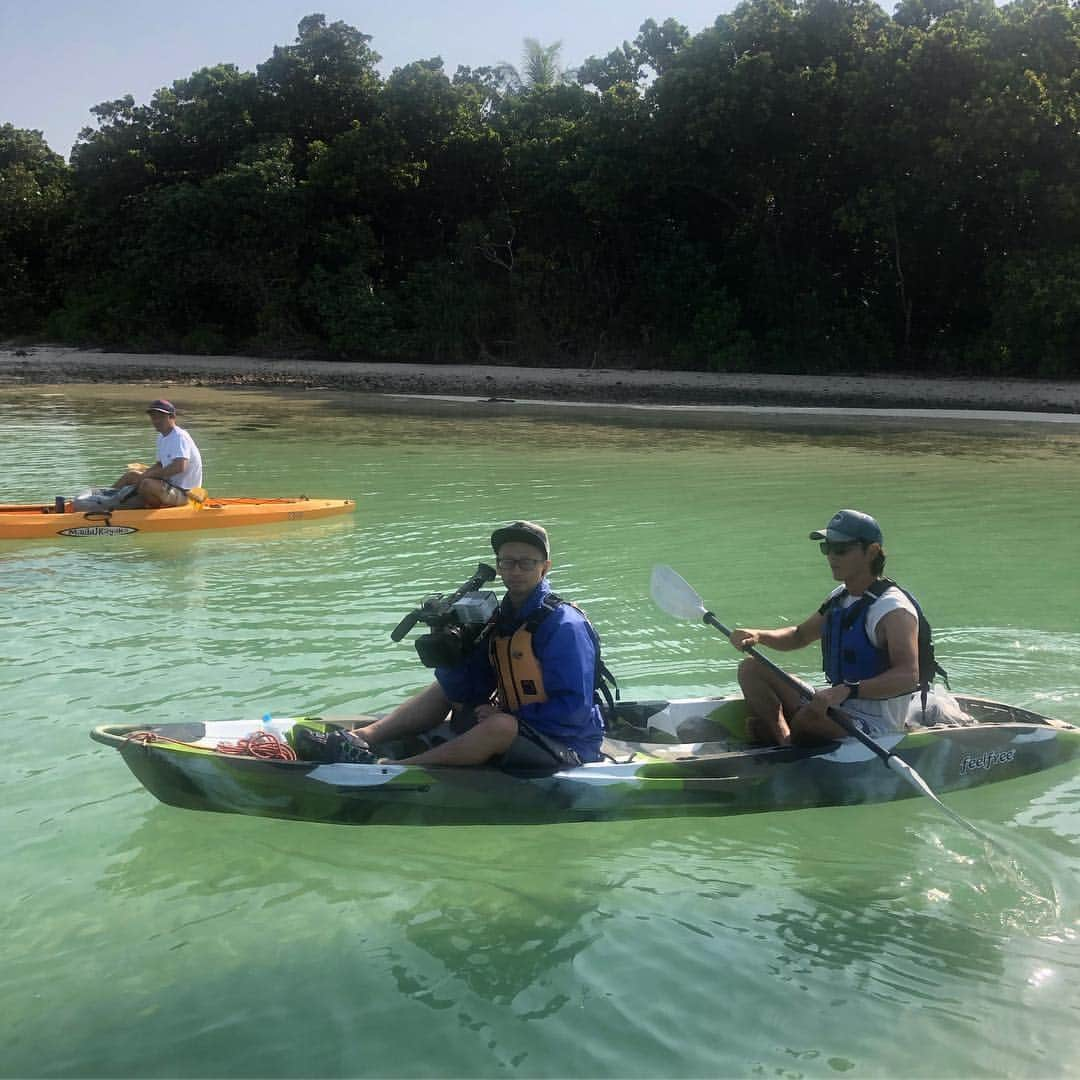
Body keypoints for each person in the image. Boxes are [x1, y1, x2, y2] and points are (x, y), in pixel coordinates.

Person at [342, 520, 607, 768]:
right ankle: (362, 737)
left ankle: (395, 769)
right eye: (507, 562)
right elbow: (466, 690)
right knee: (441, 689)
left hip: (569, 746)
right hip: (521, 726)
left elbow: (573, 710)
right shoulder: (503, 618)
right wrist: (451, 654)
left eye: (526, 563)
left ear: (544, 567)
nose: (514, 571)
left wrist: (511, 718)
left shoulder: (564, 625)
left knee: (499, 727)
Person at [728, 509, 946, 746]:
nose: (831, 556)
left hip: (877, 723)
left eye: (841, 549)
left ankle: (786, 736)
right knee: (751, 668)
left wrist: (847, 690)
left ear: (871, 552)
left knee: (809, 719)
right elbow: (799, 636)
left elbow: (907, 676)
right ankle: (784, 740)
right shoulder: (840, 597)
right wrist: (759, 636)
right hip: (835, 704)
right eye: (827, 547)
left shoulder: (893, 610)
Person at [113, 399, 203, 508]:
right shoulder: (162, 437)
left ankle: (153, 509)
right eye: (153, 417)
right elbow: (160, 464)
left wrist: (148, 476)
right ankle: (105, 498)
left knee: (146, 483)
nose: (156, 421)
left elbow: (180, 466)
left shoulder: (179, 437)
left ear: (172, 417)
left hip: (186, 493)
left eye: (160, 417)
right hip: (169, 486)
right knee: (131, 475)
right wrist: (145, 474)